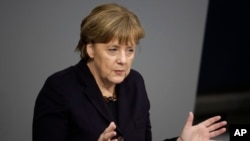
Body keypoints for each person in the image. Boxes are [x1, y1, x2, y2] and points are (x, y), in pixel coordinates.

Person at [32, 3, 227, 141]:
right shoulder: (59, 89)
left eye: (130, 50)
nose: (123, 60)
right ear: (90, 49)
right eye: (113, 49)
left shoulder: (135, 83)